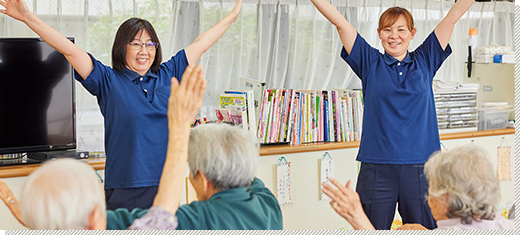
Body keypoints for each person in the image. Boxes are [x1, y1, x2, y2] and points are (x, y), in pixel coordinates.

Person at [0, 0, 242, 211]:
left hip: (166, 184)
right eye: (135, 44)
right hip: (125, 188)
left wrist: (231, 18)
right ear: (121, 47)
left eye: (150, 44)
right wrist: (27, 17)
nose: (144, 51)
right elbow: (68, 50)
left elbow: (202, 43)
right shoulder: (107, 80)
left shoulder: (169, 73)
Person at [310, 0, 475, 229]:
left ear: (412, 33)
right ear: (379, 33)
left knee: (426, 230)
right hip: (376, 167)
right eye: (387, 29)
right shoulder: (370, 62)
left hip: (423, 167)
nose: (394, 36)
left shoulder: (425, 59)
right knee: (369, 228)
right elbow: (340, 23)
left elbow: (451, 18)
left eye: (401, 29)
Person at [0, 64, 207, 230]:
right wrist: (180, 125)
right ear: (94, 216)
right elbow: (165, 210)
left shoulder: (51, 224)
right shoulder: (109, 80)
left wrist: (15, 205)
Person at [105, 123, 283, 230]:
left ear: (204, 180)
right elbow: (251, 177)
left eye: (192, 171)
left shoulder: (194, 220)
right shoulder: (267, 204)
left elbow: (116, 223)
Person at [321, 146, 514, 230]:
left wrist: (357, 217)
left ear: (446, 197)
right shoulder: (504, 225)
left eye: (430, 190)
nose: (427, 198)